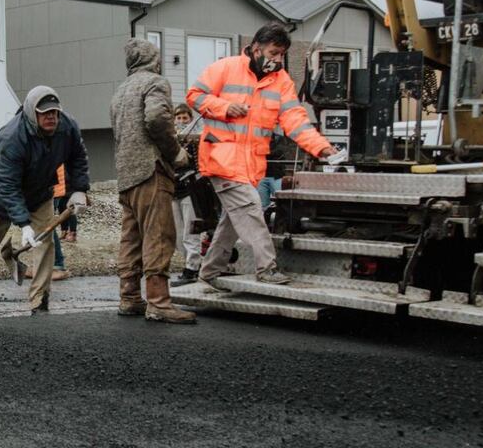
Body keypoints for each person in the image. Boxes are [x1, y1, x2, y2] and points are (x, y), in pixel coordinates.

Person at [187, 22, 341, 287]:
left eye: (281, 54)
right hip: (221, 160)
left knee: (232, 221)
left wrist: (321, 147)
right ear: (256, 49)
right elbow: (195, 96)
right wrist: (224, 106)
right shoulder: (226, 67)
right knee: (251, 209)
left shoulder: (281, 82)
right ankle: (266, 268)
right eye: (274, 53)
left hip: (251, 166)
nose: (278, 59)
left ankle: (209, 272)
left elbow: (295, 120)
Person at [0, 86, 90, 316]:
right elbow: (7, 186)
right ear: (30, 112)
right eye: (44, 112)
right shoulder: (12, 137)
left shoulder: (67, 128)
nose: (51, 117)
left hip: (39, 194)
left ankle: (39, 300)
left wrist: (79, 190)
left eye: (55, 112)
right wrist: (23, 224)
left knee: (45, 242)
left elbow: (78, 157)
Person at [110, 38, 196, 324]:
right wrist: (176, 153)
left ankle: (130, 297)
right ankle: (159, 302)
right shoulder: (155, 82)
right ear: (153, 60)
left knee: (131, 239)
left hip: (126, 174)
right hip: (151, 170)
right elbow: (157, 119)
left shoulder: (121, 91)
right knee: (159, 235)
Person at [170, 103, 203, 287]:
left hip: (190, 189)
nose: (182, 121)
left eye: (185, 118)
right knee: (177, 234)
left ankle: (192, 267)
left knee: (190, 232)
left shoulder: (195, 141)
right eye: (179, 118)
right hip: (173, 190)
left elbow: (198, 166)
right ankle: (189, 264)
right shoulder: (169, 141)